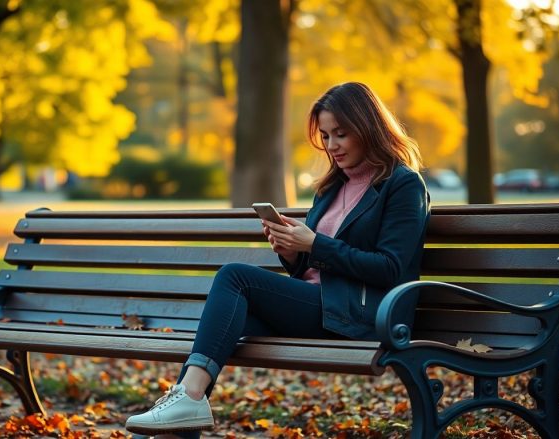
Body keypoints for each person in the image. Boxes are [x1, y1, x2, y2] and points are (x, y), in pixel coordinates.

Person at [124, 82, 430, 437]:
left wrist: (314, 244)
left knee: (235, 277)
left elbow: (390, 268)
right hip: (320, 306)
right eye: (326, 136)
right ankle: (183, 414)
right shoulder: (332, 187)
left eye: (341, 135)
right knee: (223, 326)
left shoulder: (402, 185)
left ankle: (185, 403)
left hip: (364, 314)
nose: (332, 146)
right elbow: (314, 267)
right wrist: (293, 255)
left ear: (367, 127)